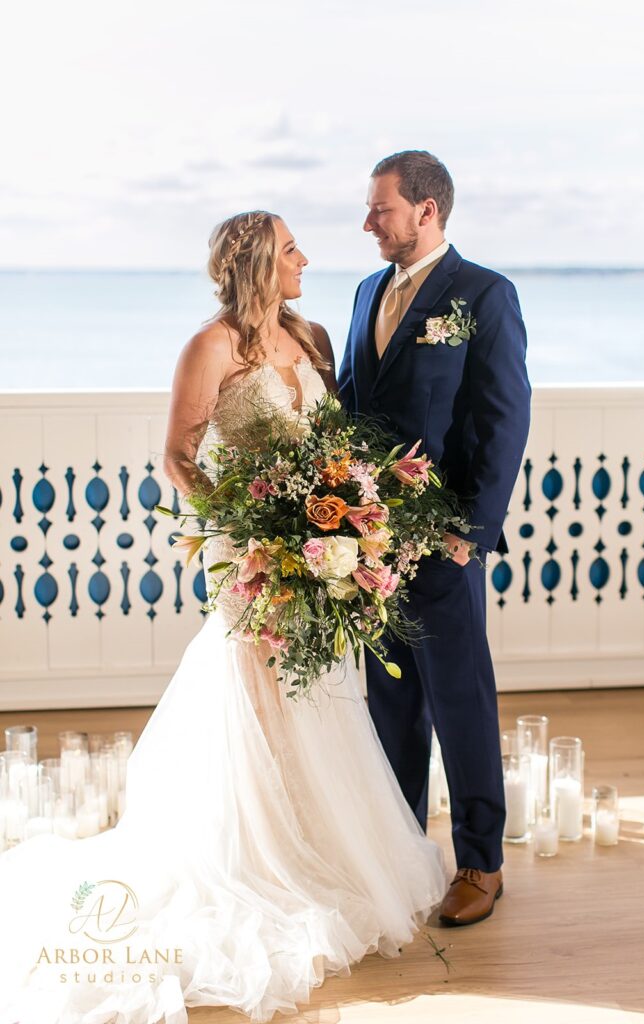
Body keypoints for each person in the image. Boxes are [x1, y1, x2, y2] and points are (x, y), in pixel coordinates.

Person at [0, 211, 449, 1024]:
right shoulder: (208, 348)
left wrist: (338, 515)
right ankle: (256, 849)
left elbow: (332, 440)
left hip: (315, 551)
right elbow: (179, 454)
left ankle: (318, 848)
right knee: (252, 690)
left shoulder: (310, 335)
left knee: (311, 696)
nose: (305, 258)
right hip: (250, 558)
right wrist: (245, 527)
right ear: (255, 264)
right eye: (289, 250)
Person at [338, 151, 532, 927]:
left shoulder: (484, 294)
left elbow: (501, 419)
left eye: (379, 209)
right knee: (389, 703)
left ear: (426, 210)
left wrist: (470, 535)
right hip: (368, 542)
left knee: (460, 702)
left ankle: (480, 862)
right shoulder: (365, 291)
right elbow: (354, 402)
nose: (367, 223)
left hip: (442, 541)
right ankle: (400, 849)